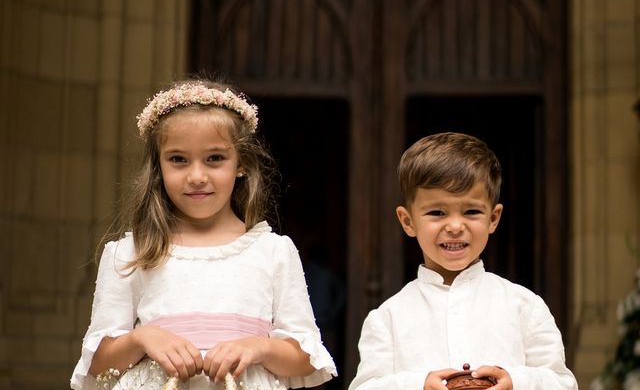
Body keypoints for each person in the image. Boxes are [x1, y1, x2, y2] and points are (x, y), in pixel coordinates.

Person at [70, 79, 337, 390]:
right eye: (178, 160)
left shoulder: (273, 252)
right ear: (158, 167)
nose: (197, 176)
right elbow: (98, 361)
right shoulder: (131, 254)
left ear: (241, 164)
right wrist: (142, 339)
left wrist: (258, 347)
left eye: (214, 159)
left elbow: (305, 358)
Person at [348, 132, 578, 390]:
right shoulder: (387, 318)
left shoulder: (525, 306)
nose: (455, 226)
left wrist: (515, 382)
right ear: (408, 221)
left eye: (471, 211)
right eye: (437, 212)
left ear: (493, 218)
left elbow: (562, 383)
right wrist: (418, 384)